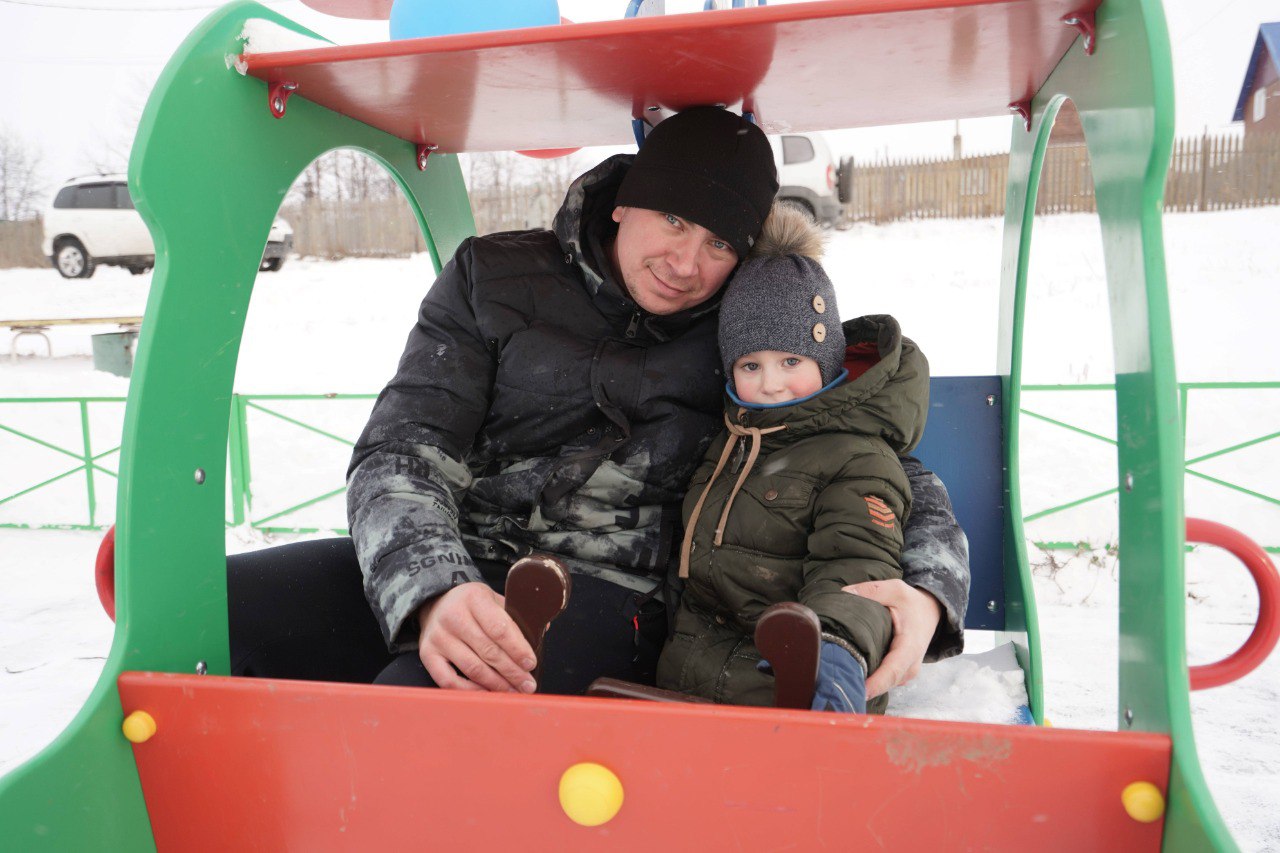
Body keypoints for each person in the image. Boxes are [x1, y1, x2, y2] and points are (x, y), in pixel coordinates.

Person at [229, 107, 970, 699]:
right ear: (625, 203)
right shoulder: (493, 280)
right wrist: (432, 589)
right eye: (674, 221)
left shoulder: (746, 334)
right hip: (452, 554)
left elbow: (864, 453)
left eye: (719, 244)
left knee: (418, 707)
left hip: (609, 595)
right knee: (220, 613)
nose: (686, 264)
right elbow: (402, 448)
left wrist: (928, 591)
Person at [655, 203, 925, 714]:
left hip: (797, 691)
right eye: (750, 365)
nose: (771, 383)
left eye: (791, 361)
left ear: (826, 361)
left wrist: (838, 649)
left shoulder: (856, 458)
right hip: (691, 690)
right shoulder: (733, 440)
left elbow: (855, 562)